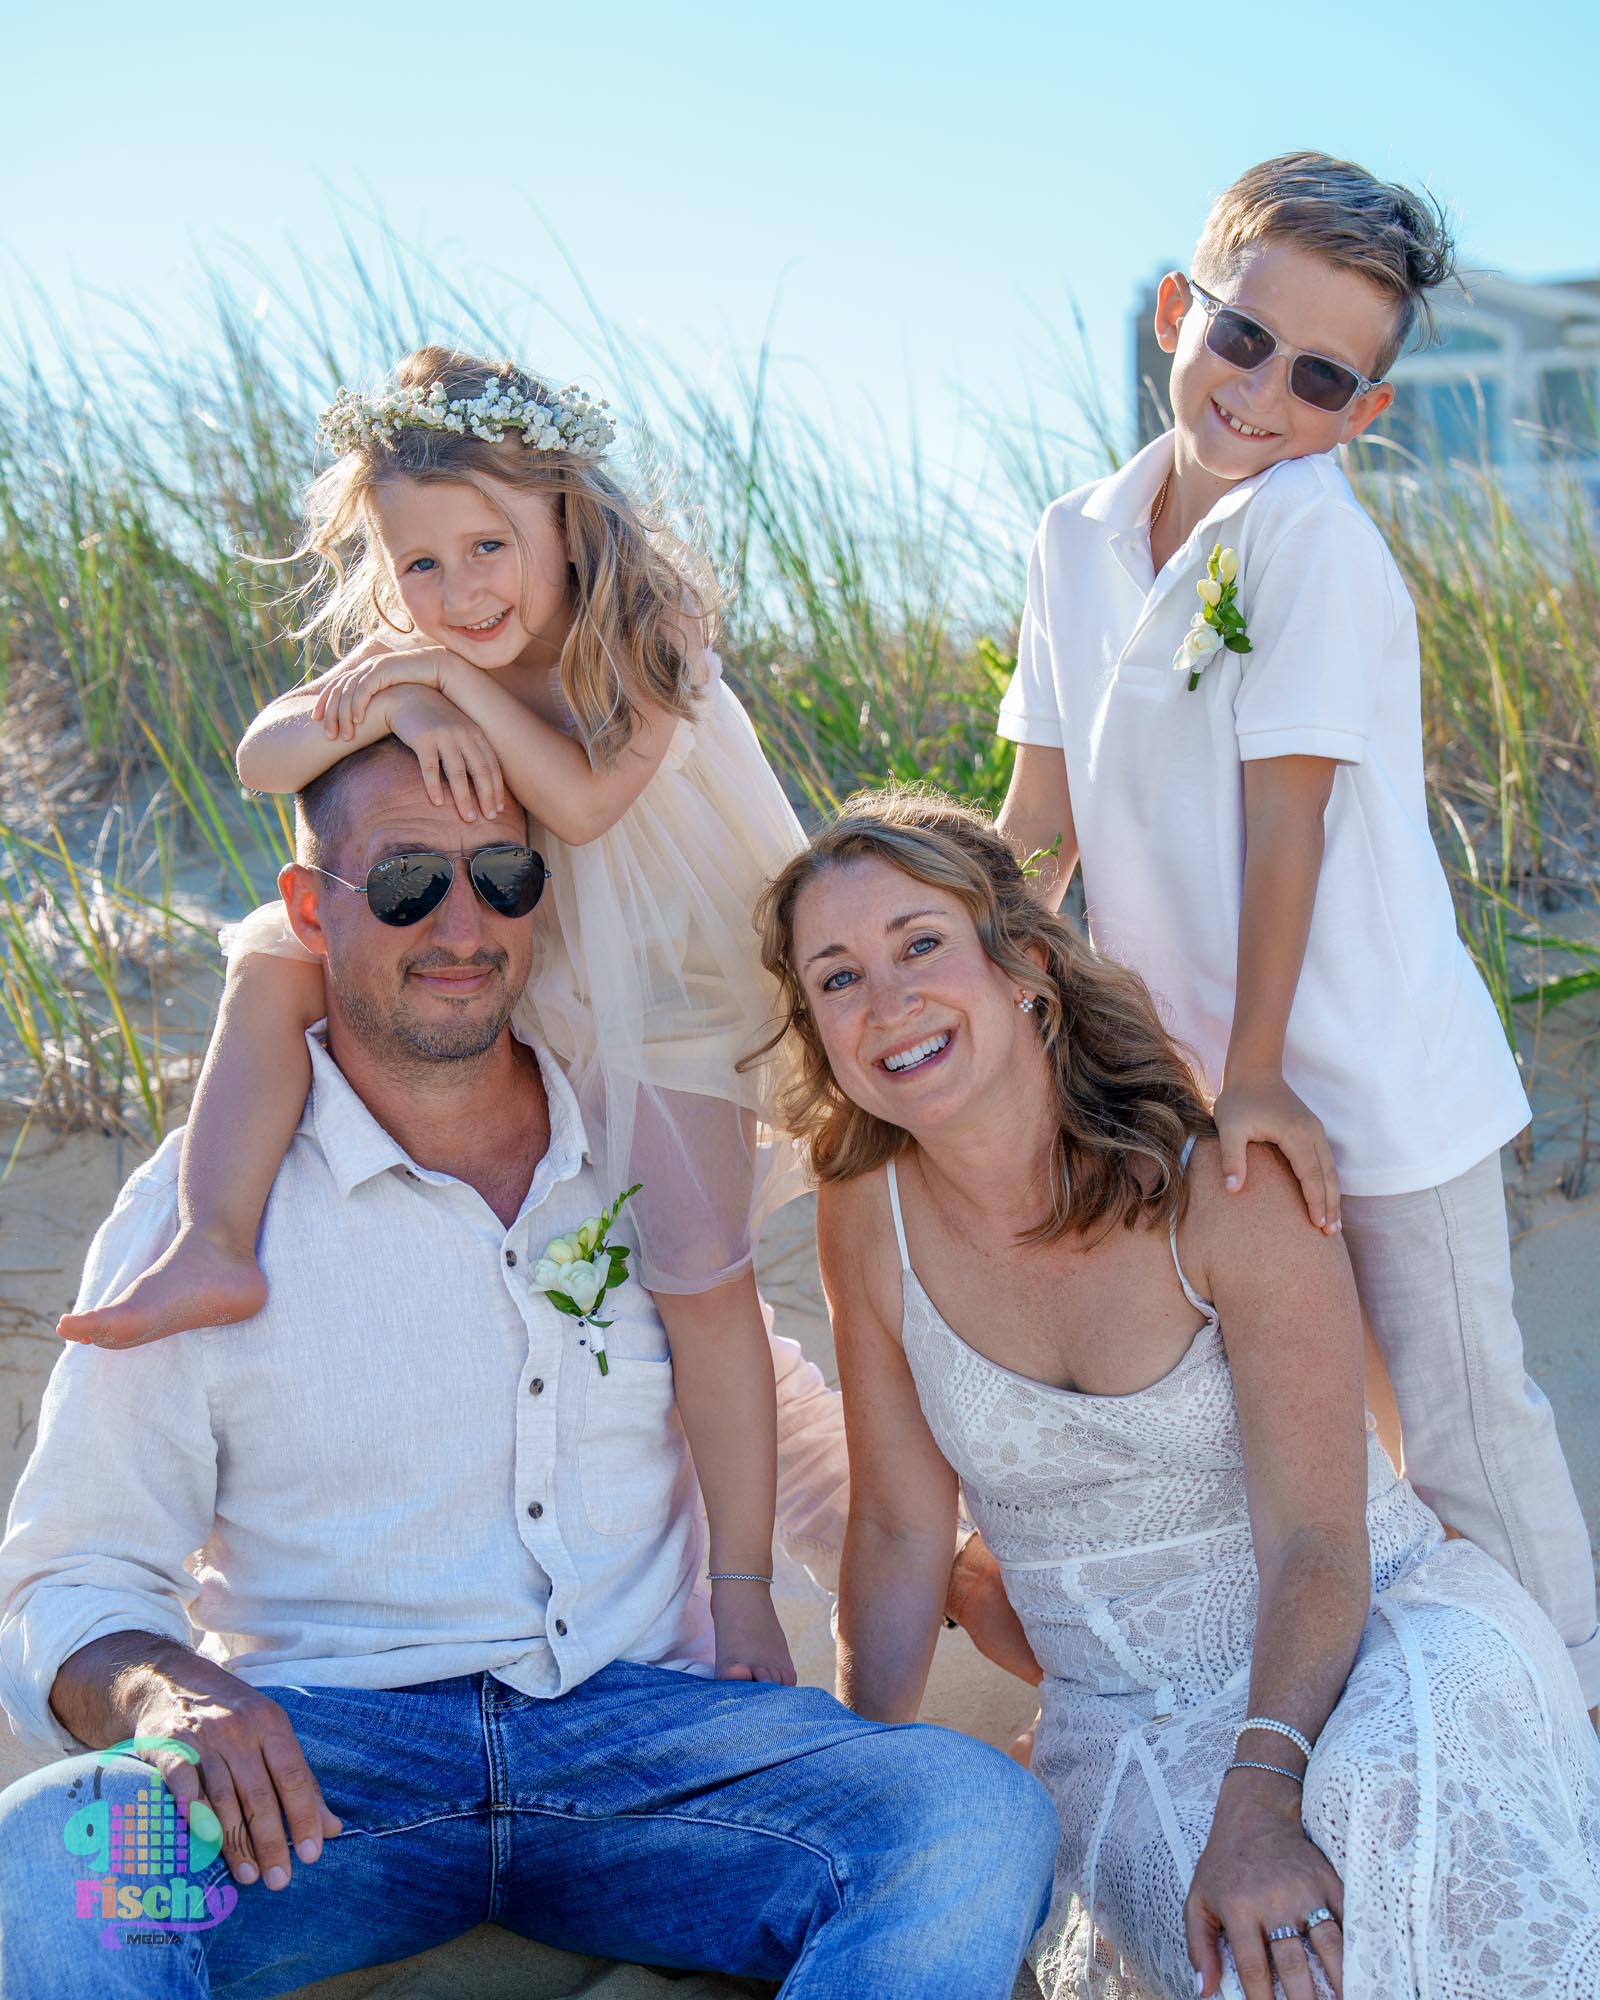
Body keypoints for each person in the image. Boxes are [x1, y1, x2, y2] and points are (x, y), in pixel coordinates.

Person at [0, 745, 1059, 1999]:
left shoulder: (636, 1146)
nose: (462, 923)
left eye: (502, 876)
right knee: (43, 1866)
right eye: (404, 882)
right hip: (317, 1786)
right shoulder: (200, 1212)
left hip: (656, 1756)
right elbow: (66, 1573)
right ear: (307, 908)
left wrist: (946, 1567)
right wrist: (160, 1690)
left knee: (971, 1818)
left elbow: (755, 1405)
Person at [754, 787, 1600, 2000]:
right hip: (1121, 1731)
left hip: (1369, 1641)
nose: (885, 1003)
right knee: (1268, 1969)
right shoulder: (865, 1215)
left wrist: (1261, 1793)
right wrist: (860, 1786)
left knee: (1391, 1825)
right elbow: (894, 1528)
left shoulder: (1224, 1194)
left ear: (1025, 963)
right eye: (834, 977)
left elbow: (1318, 1536)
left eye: (919, 944)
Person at [60, 346, 812, 1688]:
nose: (456, 593)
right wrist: (395, 688)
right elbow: (260, 757)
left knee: (699, 1271)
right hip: (513, 921)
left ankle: (740, 1592)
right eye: (418, 567)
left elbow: (579, 814)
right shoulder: (411, 652)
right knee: (275, 947)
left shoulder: (650, 641)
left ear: (568, 523)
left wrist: (443, 690)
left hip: (670, 976)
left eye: (487, 548)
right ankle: (214, 1238)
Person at [992, 151, 1599, 1706]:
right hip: (1193, 1080)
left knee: (1463, 1417)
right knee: (1349, 1440)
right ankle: (1461, 1712)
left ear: (1362, 416)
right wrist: (991, 977)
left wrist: (1257, 1072)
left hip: (1368, 1077)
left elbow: (1293, 818)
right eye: (1243, 338)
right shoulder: (1073, 535)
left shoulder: (1310, 538)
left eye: (1321, 378)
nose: (1263, 396)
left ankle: (1580, 1718)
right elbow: (1037, 822)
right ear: (1177, 310)